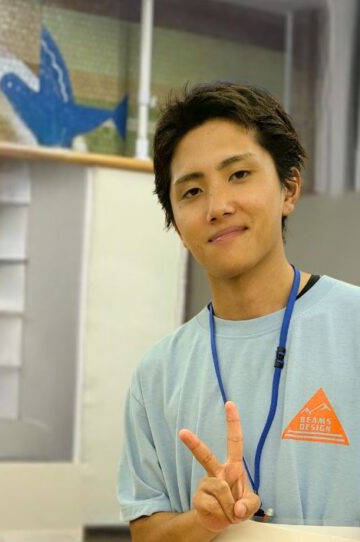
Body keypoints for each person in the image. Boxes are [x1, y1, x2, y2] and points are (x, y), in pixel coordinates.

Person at [117, 81, 360, 541]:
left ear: (289, 188)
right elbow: (146, 533)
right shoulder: (157, 374)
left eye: (239, 174)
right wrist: (203, 521)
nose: (218, 207)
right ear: (176, 223)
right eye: (192, 191)